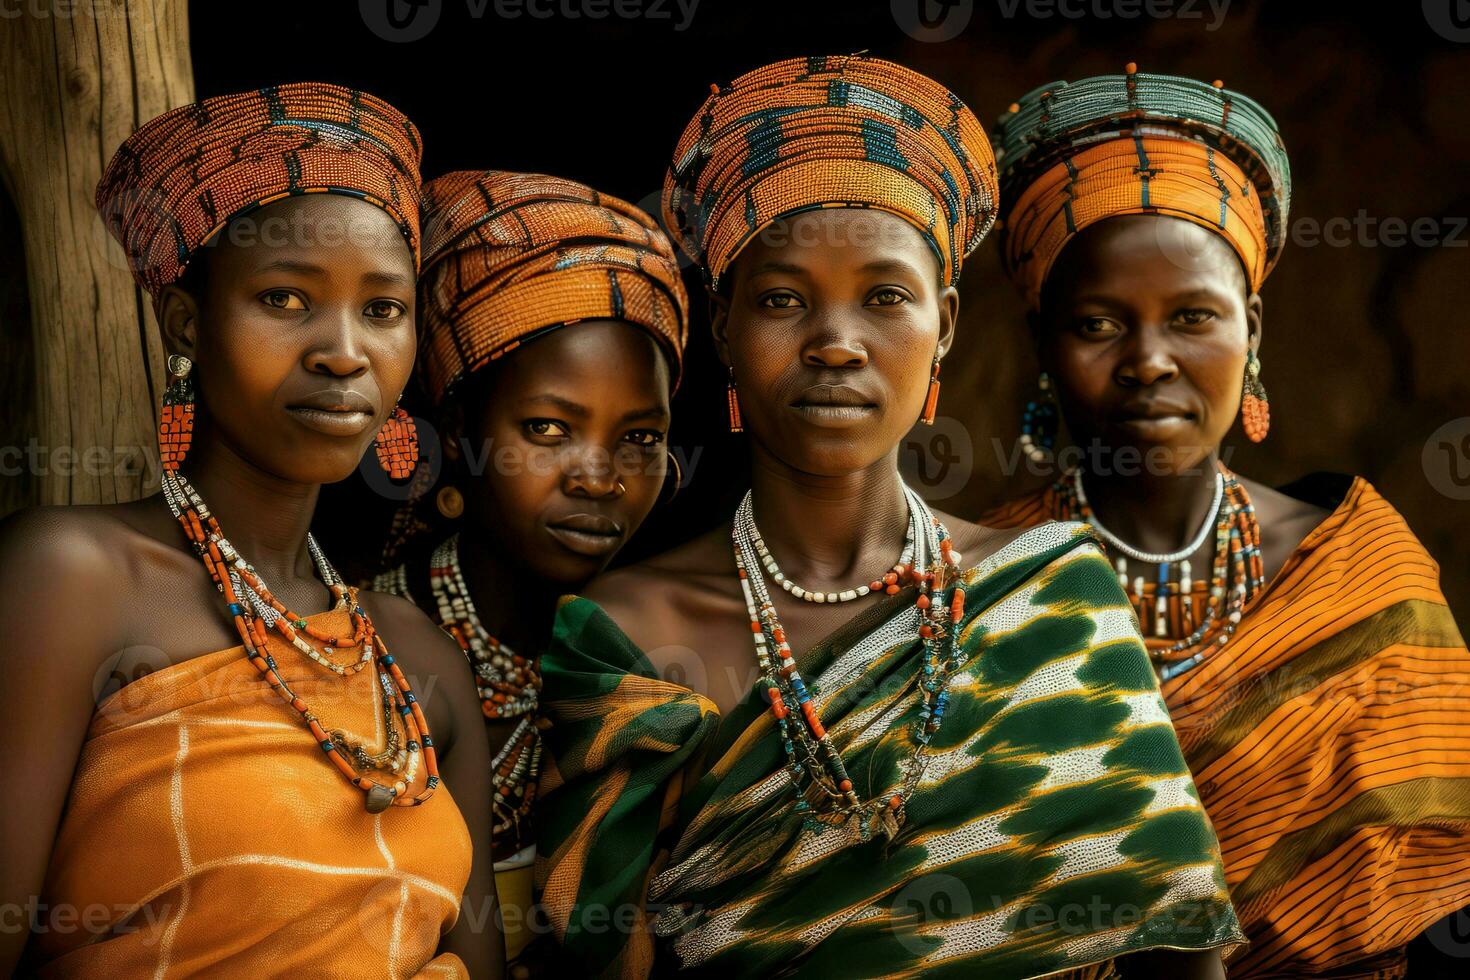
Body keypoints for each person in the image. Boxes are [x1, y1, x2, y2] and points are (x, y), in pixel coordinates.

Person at [535, 55, 1243, 979]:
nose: (836, 342)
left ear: (944, 324)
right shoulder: (628, 642)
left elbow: (1179, 953)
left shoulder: (1050, 600)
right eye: (785, 299)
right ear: (723, 328)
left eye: (885, 298)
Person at [981, 64, 1470, 977]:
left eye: (1194, 317)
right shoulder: (983, 584)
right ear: (1043, 349)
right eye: (1098, 325)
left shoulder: (1362, 570)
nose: (1150, 361)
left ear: (1252, 330)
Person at [0, 83, 500, 978]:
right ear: (186, 324)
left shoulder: (416, 658)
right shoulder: (71, 580)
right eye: (284, 298)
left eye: (382, 310)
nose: (343, 351)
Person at [372, 169, 688, 969]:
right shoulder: (364, 654)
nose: (598, 476)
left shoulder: (644, 663)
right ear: (459, 428)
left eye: (640, 438)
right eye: (549, 428)